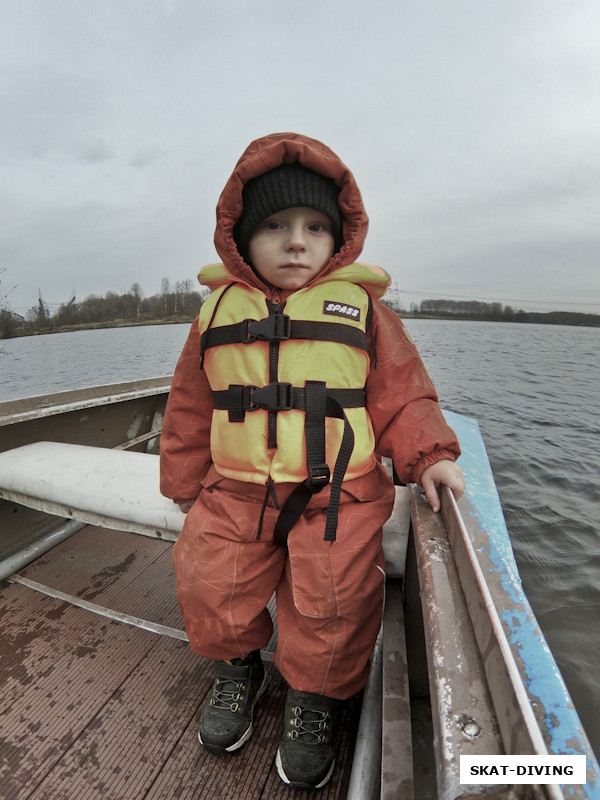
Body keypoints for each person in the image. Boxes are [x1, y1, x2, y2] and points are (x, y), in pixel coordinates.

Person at [160, 132, 464, 790]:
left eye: (314, 226)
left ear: (339, 238)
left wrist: (431, 455)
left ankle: (314, 698)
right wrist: (183, 482)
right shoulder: (213, 315)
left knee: (334, 603)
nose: (297, 241)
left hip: (339, 498)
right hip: (233, 492)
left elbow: (405, 397)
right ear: (240, 236)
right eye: (275, 225)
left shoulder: (365, 315)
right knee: (210, 583)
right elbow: (188, 404)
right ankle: (237, 668)